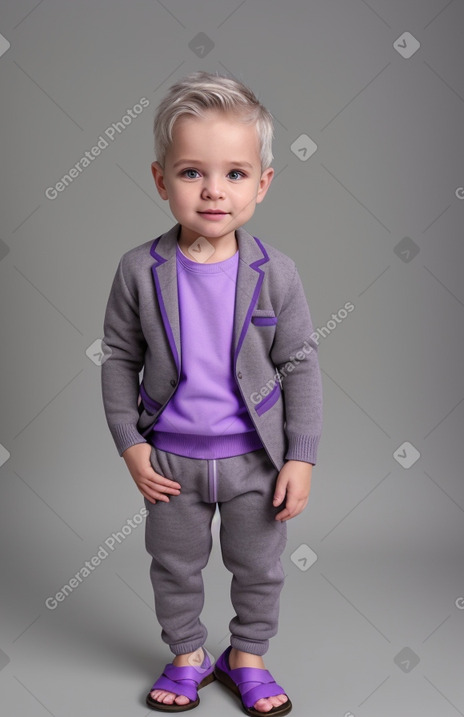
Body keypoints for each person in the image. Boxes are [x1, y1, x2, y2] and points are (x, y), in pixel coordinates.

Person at [101, 70, 323, 716]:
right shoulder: (139, 271)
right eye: (193, 172)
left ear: (263, 182)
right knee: (174, 565)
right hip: (171, 460)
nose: (213, 191)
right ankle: (188, 653)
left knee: (260, 566)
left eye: (234, 173)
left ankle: (247, 654)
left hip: (256, 459)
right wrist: (129, 445)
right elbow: (119, 359)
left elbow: (301, 363)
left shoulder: (275, 273)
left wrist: (301, 454)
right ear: (161, 179)